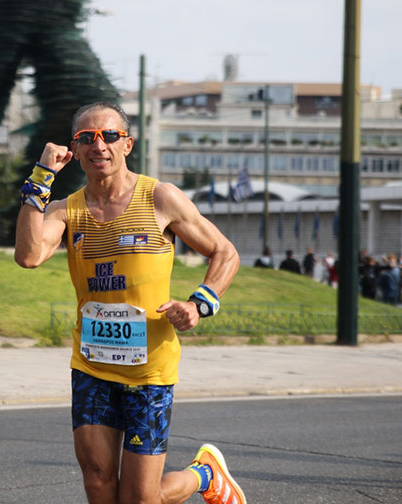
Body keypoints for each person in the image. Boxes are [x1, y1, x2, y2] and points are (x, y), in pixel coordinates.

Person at [14, 101, 246, 504]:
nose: (97, 144)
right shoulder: (66, 210)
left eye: (109, 136)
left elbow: (225, 252)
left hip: (149, 371)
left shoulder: (160, 198)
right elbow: (29, 255)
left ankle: (204, 474)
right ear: (75, 148)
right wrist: (41, 177)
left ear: (127, 145)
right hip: (92, 365)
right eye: (86, 137)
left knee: (140, 498)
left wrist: (198, 304)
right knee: (100, 484)